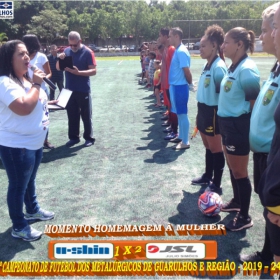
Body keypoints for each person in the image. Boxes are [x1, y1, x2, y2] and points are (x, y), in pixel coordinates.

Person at [0, 40, 55, 242]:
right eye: (21, 54)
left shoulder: (24, 80)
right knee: (17, 185)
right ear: (8, 59)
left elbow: (34, 100)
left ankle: (32, 210)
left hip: (34, 141)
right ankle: (19, 226)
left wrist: (48, 101)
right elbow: (23, 107)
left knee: (29, 180)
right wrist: (37, 84)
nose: (27, 57)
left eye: (27, 54)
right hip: (17, 146)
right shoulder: (5, 82)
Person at [240, 2, 280, 264]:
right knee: (268, 210)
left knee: (273, 210)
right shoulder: (277, 67)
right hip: (266, 154)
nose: (262, 36)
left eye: (265, 30)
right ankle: (268, 253)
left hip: (273, 157)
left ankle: (271, 255)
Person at [218, 27, 260, 231]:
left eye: (226, 42)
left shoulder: (247, 69)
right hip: (227, 125)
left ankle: (244, 217)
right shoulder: (233, 66)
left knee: (240, 172)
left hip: (238, 126)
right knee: (233, 168)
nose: (223, 46)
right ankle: (236, 202)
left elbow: (255, 104)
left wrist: (247, 130)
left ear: (239, 45)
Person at [191, 25, 227, 195]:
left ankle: (217, 184)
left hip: (213, 112)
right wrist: (199, 114)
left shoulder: (218, 67)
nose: (200, 49)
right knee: (207, 145)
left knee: (215, 148)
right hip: (204, 110)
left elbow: (223, 97)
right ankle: (207, 175)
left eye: (203, 46)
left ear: (214, 46)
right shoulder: (208, 65)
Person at [56, 31, 97, 147]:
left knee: (86, 115)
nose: (72, 47)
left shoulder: (88, 52)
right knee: (72, 115)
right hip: (69, 90)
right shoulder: (66, 51)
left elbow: (93, 71)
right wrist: (60, 59)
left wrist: (78, 72)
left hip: (83, 89)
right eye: (70, 45)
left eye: (75, 45)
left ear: (80, 41)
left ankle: (89, 138)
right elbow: (58, 68)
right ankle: (74, 137)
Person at [22, 34, 54, 150]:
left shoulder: (41, 56)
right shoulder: (22, 58)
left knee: (44, 116)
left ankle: (45, 140)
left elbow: (49, 73)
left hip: (41, 90)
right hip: (25, 90)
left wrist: (41, 78)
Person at [168, 27, 193, 150]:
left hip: (180, 87)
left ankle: (185, 141)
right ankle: (182, 136)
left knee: (182, 114)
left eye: (170, 36)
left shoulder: (181, 51)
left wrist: (190, 83)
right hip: (176, 86)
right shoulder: (178, 50)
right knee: (179, 113)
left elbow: (186, 71)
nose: (169, 38)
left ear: (177, 36)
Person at [158, 27, 177, 141]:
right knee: (169, 105)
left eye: (161, 36)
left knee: (172, 107)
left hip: (170, 84)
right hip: (166, 83)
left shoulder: (171, 50)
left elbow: (173, 68)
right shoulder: (166, 49)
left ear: (165, 37)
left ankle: (174, 131)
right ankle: (171, 125)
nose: (159, 38)